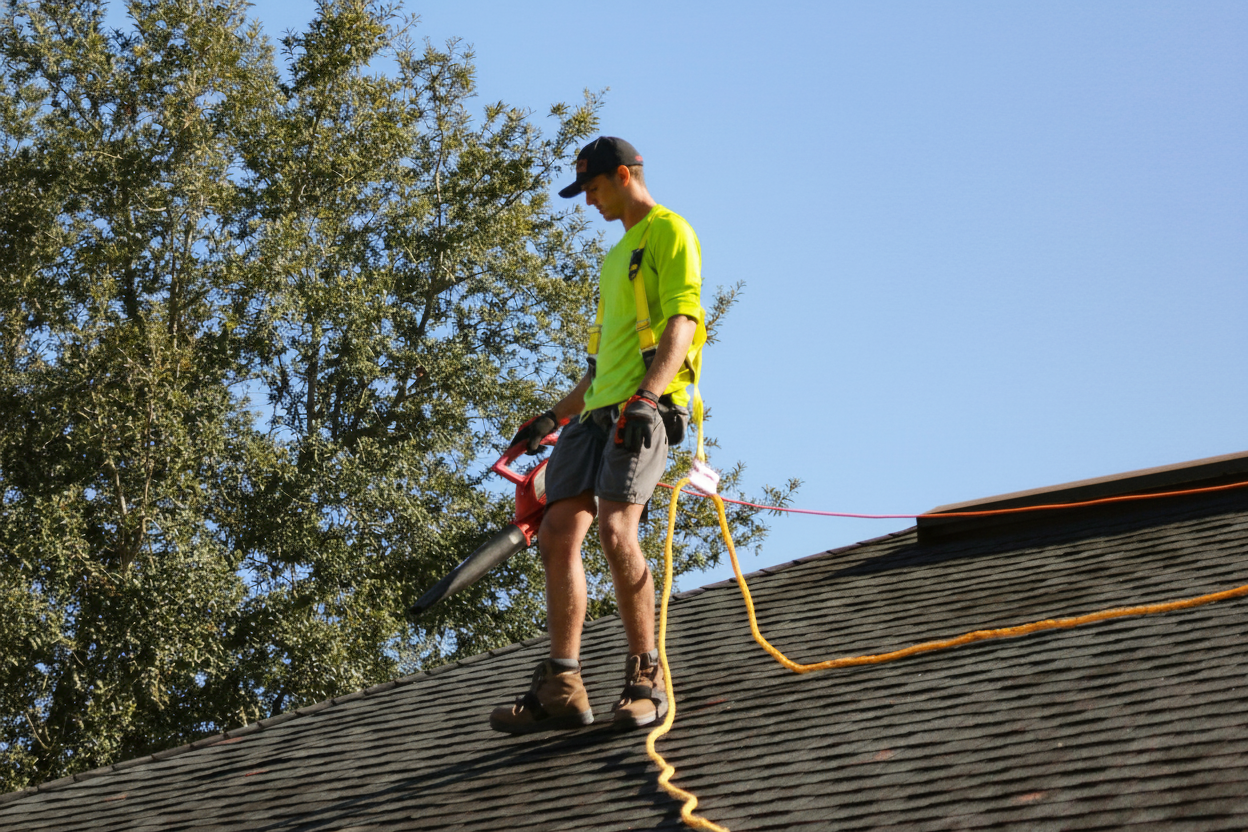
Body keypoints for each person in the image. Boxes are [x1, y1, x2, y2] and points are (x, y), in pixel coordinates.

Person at [490, 136, 705, 734]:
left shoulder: (669, 231)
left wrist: (649, 397)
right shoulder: (616, 259)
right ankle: (563, 683)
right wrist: (550, 419)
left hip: (642, 410)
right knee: (558, 532)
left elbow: (681, 323)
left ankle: (646, 678)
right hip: (594, 415)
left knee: (616, 529)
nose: (588, 202)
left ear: (624, 175)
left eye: (593, 188)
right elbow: (596, 368)